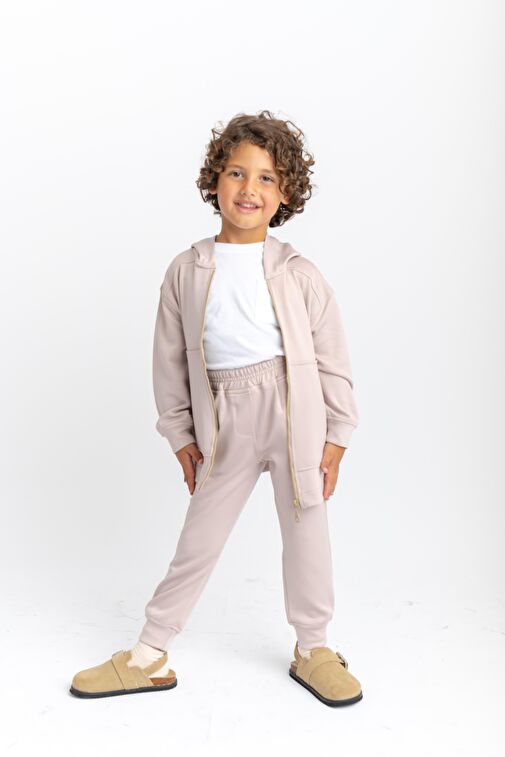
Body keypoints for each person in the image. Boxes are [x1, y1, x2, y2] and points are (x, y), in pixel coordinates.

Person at [70, 110, 363, 706]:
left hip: (294, 414)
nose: (249, 189)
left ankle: (314, 648)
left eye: (266, 178)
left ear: (285, 195)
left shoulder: (299, 274)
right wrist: (180, 434)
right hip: (223, 421)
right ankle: (150, 652)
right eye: (237, 173)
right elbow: (168, 361)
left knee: (307, 532)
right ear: (214, 182)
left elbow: (331, 358)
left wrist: (338, 434)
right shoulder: (186, 270)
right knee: (198, 539)